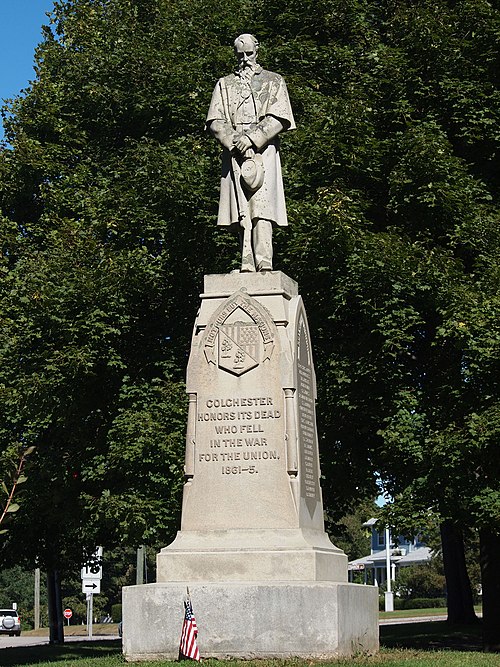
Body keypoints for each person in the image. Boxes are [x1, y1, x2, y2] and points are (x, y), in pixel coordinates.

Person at [206, 34, 295, 272]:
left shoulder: (273, 80)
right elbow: (215, 120)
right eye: (240, 55)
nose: (245, 59)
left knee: (262, 208)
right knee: (242, 210)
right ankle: (246, 261)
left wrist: (252, 138)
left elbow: (279, 117)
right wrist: (235, 141)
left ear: (258, 50)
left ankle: (264, 261)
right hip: (235, 151)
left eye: (249, 54)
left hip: (263, 150)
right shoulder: (225, 84)